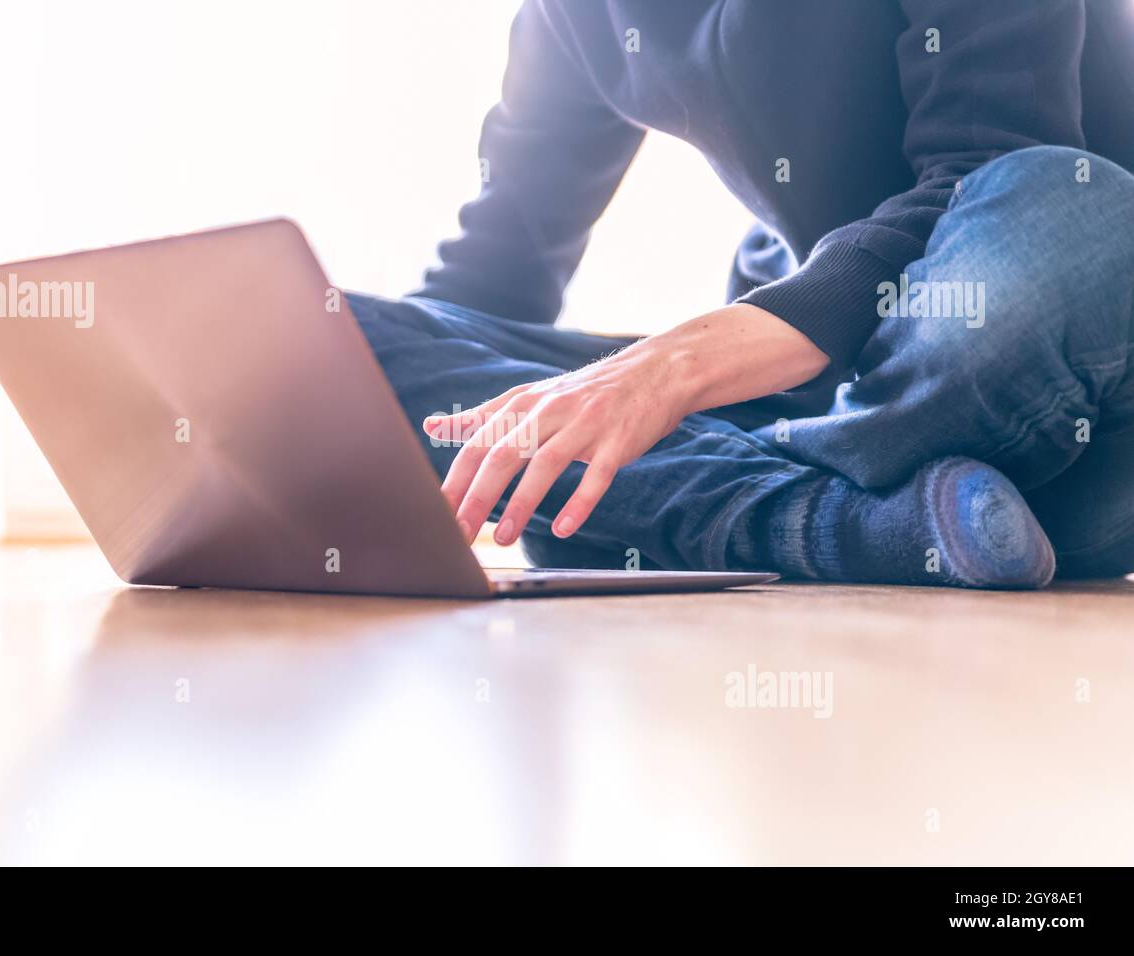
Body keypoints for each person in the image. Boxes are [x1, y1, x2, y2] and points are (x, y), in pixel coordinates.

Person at [346, 0, 1134, 588]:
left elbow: (986, 167)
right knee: (343, 346)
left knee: (1074, 214)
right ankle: (835, 524)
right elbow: (488, 282)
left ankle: (686, 506)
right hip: (868, 437)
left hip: (1086, 413)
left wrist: (673, 369)